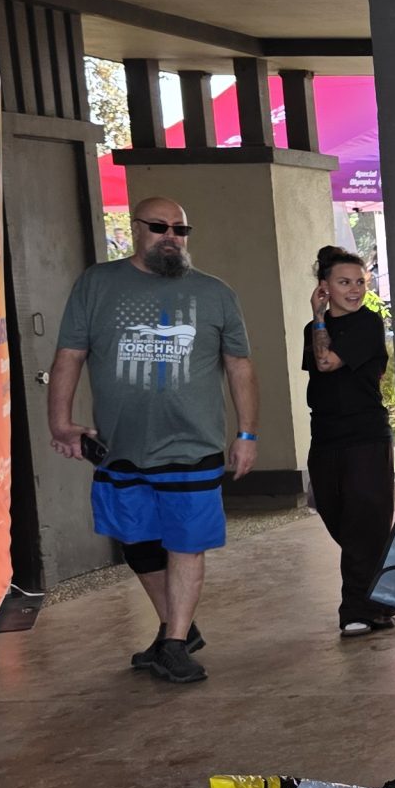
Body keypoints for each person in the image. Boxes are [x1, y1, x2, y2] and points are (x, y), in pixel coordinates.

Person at [47, 196, 257, 685]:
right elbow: (69, 356)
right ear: (135, 228)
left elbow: (240, 367)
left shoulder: (215, 293)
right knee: (137, 542)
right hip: (119, 445)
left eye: (180, 230)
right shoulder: (97, 284)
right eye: (160, 227)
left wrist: (246, 434)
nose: (171, 237)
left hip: (193, 444)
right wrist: (61, 422)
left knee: (185, 542)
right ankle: (176, 629)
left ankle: (176, 643)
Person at [301, 246, 395, 637]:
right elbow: (318, 370)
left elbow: (327, 363)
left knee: (363, 519)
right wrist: (318, 320)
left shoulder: (368, 323)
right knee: (335, 512)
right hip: (324, 436)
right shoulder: (314, 330)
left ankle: (354, 607)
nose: (355, 290)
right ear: (325, 287)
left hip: (365, 437)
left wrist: (317, 317)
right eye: (344, 282)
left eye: (360, 282)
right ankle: (382, 595)